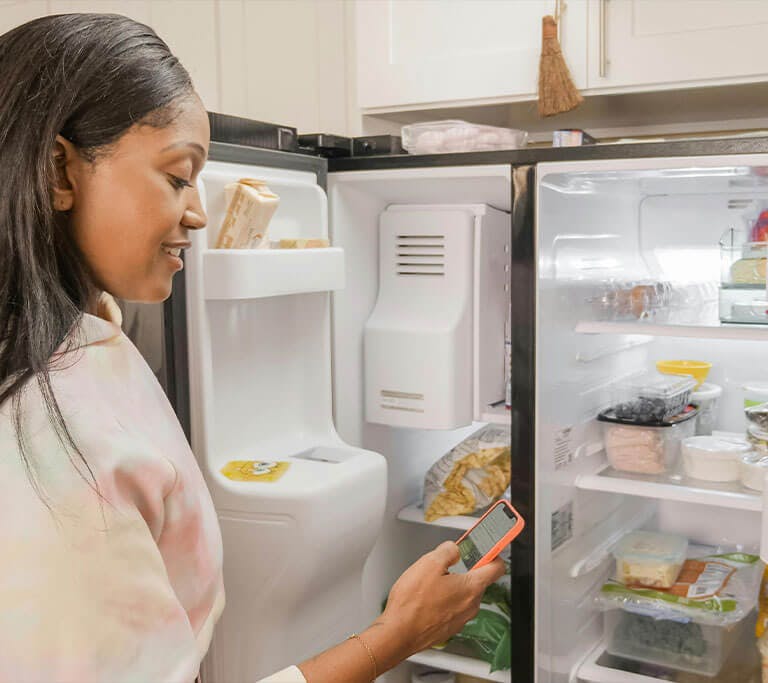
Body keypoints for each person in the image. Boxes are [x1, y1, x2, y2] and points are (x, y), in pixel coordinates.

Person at [0, 13, 507, 683]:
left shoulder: (85, 330)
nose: (201, 212)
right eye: (179, 176)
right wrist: (396, 634)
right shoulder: (47, 452)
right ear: (59, 171)